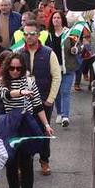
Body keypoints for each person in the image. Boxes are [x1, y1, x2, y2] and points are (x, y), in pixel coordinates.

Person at [0, 52, 54, 188]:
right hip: (9, 125)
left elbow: (37, 106)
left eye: (18, 68)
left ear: (23, 68)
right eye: (12, 68)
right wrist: (21, 92)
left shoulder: (30, 81)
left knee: (27, 164)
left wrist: (47, 125)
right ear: (7, 67)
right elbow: (5, 95)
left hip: (26, 125)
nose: (14, 71)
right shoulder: (1, 82)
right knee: (11, 163)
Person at [18, 22, 61, 174]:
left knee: (44, 131)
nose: (28, 37)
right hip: (23, 102)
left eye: (32, 34)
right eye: (26, 34)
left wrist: (50, 99)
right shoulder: (18, 53)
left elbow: (56, 77)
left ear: (38, 35)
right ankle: (25, 161)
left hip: (44, 101)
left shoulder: (49, 53)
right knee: (24, 131)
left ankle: (44, 160)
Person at [47, 11, 80, 127]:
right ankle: (60, 113)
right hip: (54, 69)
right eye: (54, 18)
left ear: (62, 20)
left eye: (58, 18)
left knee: (65, 91)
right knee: (57, 93)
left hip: (68, 68)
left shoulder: (69, 33)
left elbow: (77, 46)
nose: (56, 20)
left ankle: (65, 116)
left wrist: (75, 50)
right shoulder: (48, 35)